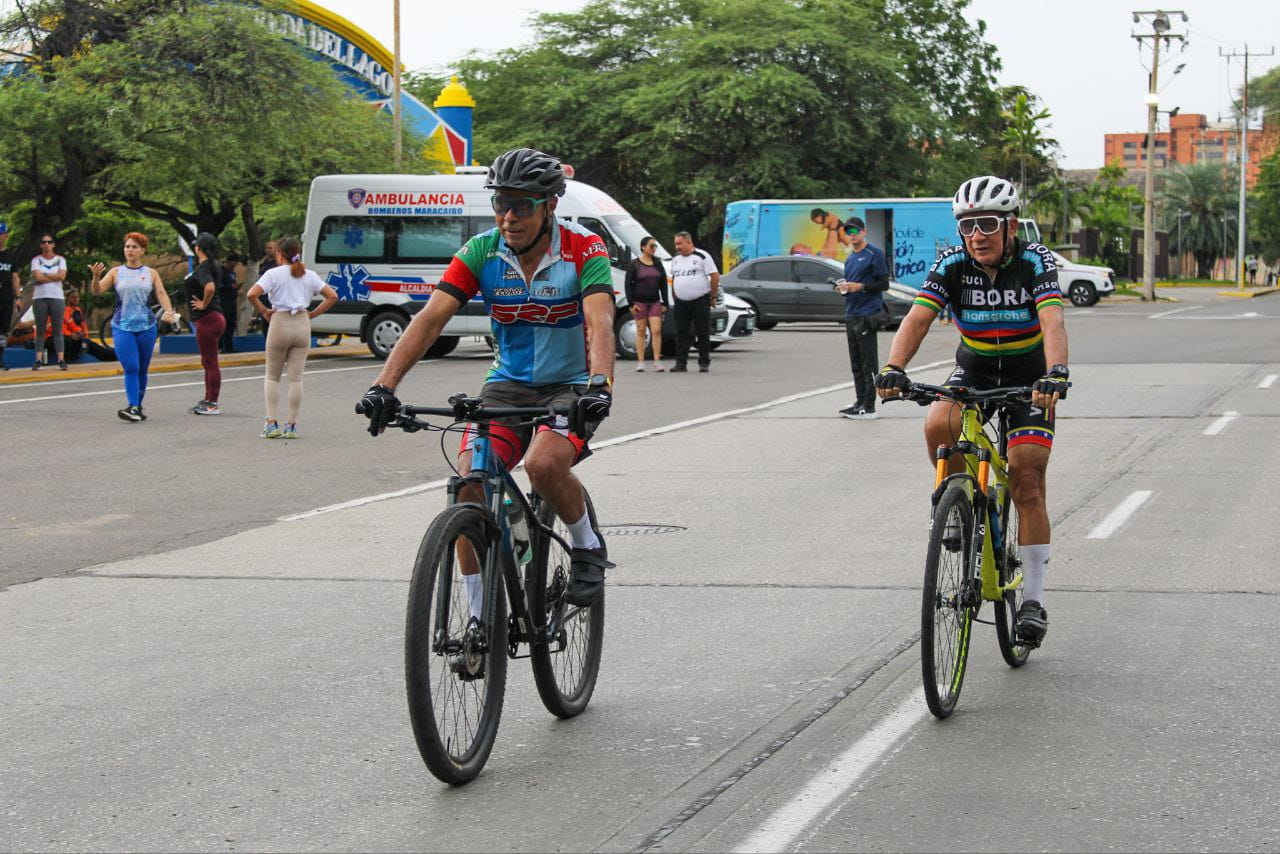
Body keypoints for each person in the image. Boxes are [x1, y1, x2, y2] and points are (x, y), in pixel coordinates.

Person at [356, 147, 616, 609]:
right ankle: (477, 619)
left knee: (542, 465)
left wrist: (599, 386)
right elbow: (430, 319)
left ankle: (586, 542)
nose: (508, 216)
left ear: (549, 205)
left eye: (522, 205)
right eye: (500, 203)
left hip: (572, 385)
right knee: (469, 486)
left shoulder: (584, 248)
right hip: (508, 382)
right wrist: (384, 386)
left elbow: (599, 322)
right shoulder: (481, 251)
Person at [876, 176, 1069, 648]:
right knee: (938, 422)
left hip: (1030, 380)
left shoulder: (1034, 261)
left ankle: (1033, 601)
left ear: (1010, 225)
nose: (976, 234)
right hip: (976, 372)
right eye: (967, 225)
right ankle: (957, 509)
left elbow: (1052, 320)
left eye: (987, 223)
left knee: (1026, 475)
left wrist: (1057, 371)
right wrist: (893, 367)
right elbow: (918, 318)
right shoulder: (952, 264)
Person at [246, 237, 338, 439]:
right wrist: (312, 314)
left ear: (279, 253)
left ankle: (271, 423)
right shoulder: (309, 275)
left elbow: (251, 294)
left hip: (280, 322)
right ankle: (292, 425)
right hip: (302, 324)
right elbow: (332, 296)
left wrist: (264, 311)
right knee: (296, 378)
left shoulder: (273, 274)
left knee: (272, 376)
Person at [90, 232, 177, 422]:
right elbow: (96, 291)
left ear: (142, 250)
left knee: (142, 369)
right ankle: (133, 406)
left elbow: (161, 293)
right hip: (122, 327)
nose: (130, 250)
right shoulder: (115, 272)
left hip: (147, 327)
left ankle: (137, 406)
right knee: (131, 366)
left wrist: (169, 312)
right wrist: (96, 277)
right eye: (127, 246)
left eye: (134, 247)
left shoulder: (151, 273)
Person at [836, 216, 890, 420]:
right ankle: (859, 401)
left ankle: (869, 407)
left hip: (867, 315)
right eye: (848, 232)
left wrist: (862, 286)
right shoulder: (850, 258)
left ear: (864, 231)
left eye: (855, 231)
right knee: (856, 363)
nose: (852, 235)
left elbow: (884, 284)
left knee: (869, 363)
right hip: (851, 314)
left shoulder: (874, 254)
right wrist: (844, 289)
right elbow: (851, 286)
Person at [668, 231, 719, 373]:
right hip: (681, 302)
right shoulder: (676, 260)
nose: (677, 247)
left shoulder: (702, 256)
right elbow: (674, 278)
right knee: (681, 332)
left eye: (680, 243)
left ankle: (704, 362)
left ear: (689, 242)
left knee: (702, 332)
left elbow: (714, 276)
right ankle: (681, 363)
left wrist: (712, 295)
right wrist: (675, 295)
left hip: (700, 300)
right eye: (676, 244)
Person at [186, 232, 226, 415]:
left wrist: (203, 303)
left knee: (210, 363)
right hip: (215, 317)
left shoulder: (203, 268)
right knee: (208, 361)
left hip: (208, 318)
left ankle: (212, 403)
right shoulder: (213, 265)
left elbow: (209, 287)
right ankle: (208, 398)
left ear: (199, 248)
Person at [623, 235, 669, 371]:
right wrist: (631, 304)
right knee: (641, 330)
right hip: (639, 302)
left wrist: (665, 302)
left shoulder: (658, 263)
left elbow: (663, 283)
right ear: (643, 247)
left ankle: (657, 361)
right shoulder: (634, 264)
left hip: (654, 301)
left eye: (655, 246)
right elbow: (628, 284)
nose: (654, 248)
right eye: (651, 246)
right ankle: (641, 362)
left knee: (656, 330)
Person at [30, 233, 68, 370]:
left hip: (57, 297)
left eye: (49, 242)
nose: (46, 244)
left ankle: (61, 359)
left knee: (57, 330)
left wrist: (45, 275)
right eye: (44, 242)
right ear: (41, 245)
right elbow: (37, 277)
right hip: (39, 298)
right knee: (40, 330)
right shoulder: (36, 260)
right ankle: (38, 360)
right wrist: (54, 276)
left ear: (53, 244)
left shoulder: (60, 259)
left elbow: (62, 276)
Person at [52, 288, 116, 364]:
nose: (75, 299)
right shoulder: (65, 310)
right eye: (72, 297)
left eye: (77, 297)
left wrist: (84, 335)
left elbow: (83, 324)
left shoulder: (78, 310)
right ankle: (115, 355)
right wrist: (74, 334)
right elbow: (66, 326)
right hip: (72, 339)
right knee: (99, 350)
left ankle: (116, 354)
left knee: (99, 349)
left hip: (81, 338)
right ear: (67, 299)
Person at [0, 221, 20, 370]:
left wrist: (18, 297)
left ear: (6, 236)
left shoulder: (9, 255)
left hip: (6, 297)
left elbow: (14, 276)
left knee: (3, 330)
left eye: (2, 234)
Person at [218, 253, 240, 353]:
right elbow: (218, 286)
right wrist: (229, 287)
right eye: (232, 265)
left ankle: (229, 347)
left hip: (232, 300)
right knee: (224, 324)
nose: (233, 267)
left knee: (231, 324)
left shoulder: (232, 273)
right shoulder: (221, 272)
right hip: (224, 301)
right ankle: (222, 347)